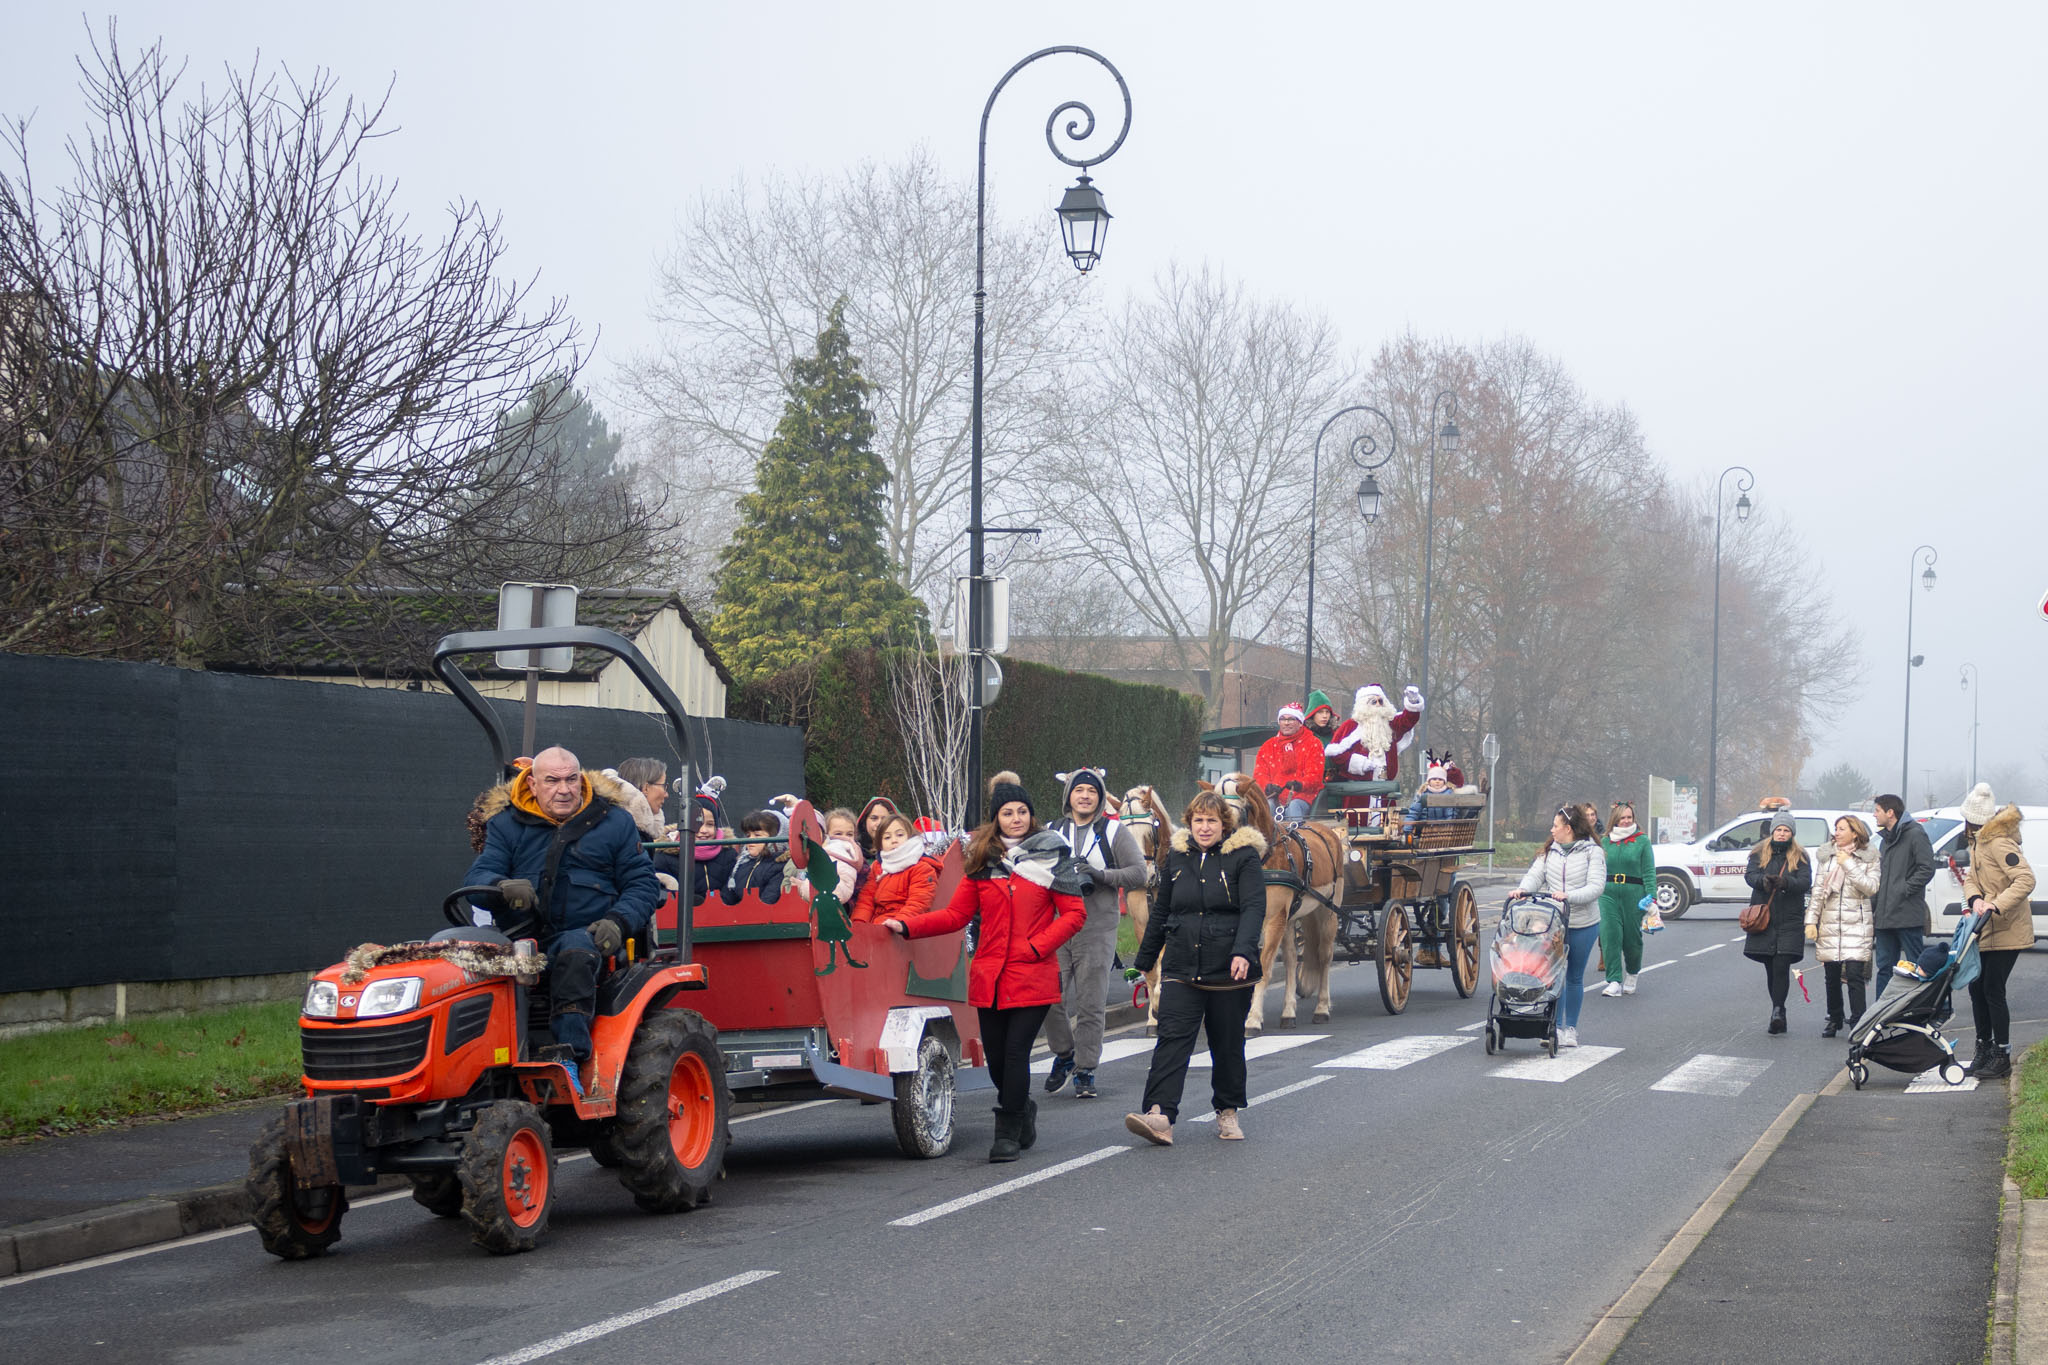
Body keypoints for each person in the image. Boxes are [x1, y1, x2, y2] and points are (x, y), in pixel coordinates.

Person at [881, 775, 1088, 1162]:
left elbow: (1075, 914)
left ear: (1031, 816)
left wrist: (1036, 946)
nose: (1016, 818)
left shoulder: (1052, 855)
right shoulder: (982, 863)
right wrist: (907, 925)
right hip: (990, 977)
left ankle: (1006, 1133)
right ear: (996, 819)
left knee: (1015, 1054)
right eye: (1007, 813)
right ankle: (1022, 1109)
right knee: (996, 1061)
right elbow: (955, 916)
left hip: (1032, 974)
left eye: (1022, 811)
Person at [463, 745, 662, 1092]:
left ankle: (568, 1057)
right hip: (521, 940)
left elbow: (642, 884)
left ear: (581, 780)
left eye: (571, 779)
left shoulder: (613, 822)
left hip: (591, 940)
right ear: (533, 784)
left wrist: (618, 922)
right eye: (552, 781)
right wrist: (500, 887)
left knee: (574, 948)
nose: (564, 789)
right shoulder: (506, 825)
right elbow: (478, 878)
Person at [1124, 790, 1268, 1146]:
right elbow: (1162, 910)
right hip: (1181, 965)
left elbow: (1254, 907)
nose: (1205, 827)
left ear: (1224, 824)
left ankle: (1227, 1111)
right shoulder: (1177, 857)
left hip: (1229, 969)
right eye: (1198, 821)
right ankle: (1160, 1114)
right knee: (1171, 1040)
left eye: (1212, 821)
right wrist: (1144, 961)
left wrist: (1243, 951)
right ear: (1189, 823)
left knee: (1227, 1043)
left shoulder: (1245, 857)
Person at [1042, 768, 1148, 1099]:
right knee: (1048, 998)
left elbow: (1139, 873)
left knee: (1091, 1003)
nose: (1085, 796)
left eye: (1092, 791)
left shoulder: (1113, 830)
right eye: (1079, 790)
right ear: (1069, 796)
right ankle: (1064, 1054)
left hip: (1097, 927)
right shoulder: (1052, 830)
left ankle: (1085, 1069)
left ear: (1100, 797)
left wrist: (1099, 875)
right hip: (1057, 927)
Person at [1959, 783, 2036, 1079]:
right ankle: (1983, 1047)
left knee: (1992, 988)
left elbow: (2026, 879)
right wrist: (1975, 899)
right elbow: (1971, 878)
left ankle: (2002, 1053)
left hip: (2007, 928)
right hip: (1985, 928)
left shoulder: (1999, 843)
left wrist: (1995, 904)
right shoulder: (1977, 842)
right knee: (1976, 987)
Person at [1517, 805, 1607, 1048]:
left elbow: (1596, 886)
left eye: (1555, 825)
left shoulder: (1593, 852)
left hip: (1583, 923)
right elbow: (1535, 875)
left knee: (1574, 976)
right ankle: (1554, 1027)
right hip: (1554, 923)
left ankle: (1571, 1029)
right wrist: (1522, 889)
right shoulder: (1550, 851)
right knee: (1556, 976)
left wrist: (1569, 896)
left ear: (1568, 828)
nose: (1552, 829)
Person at [1806, 815, 1880, 1037]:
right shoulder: (1827, 856)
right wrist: (1811, 921)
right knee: (1832, 975)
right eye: (1836, 829)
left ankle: (1858, 1021)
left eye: (1841, 829)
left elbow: (1870, 887)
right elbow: (1818, 891)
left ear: (1854, 833)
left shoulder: (1869, 857)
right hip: (1830, 922)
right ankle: (1835, 1018)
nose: (1836, 833)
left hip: (1857, 923)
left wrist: (1848, 863)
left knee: (1855, 975)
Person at [1743, 815, 1813, 1035]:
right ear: (1772, 831)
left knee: (1781, 965)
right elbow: (1750, 875)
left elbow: (1805, 882)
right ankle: (1778, 1007)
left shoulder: (1800, 855)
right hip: (1765, 917)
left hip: (1789, 919)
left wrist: (1785, 882)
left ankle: (1778, 1011)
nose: (1782, 834)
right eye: (1779, 830)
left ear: (1792, 833)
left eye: (1786, 830)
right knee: (1770, 966)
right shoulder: (1758, 852)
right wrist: (1763, 881)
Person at [1324, 684, 1424, 825]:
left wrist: (1413, 702)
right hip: (1358, 793)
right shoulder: (1350, 726)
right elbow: (1335, 753)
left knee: (1387, 830)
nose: (1378, 705)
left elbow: (1408, 720)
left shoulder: (1391, 724)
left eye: (1380, 701)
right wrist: (1359, 763)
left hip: (1385, 792)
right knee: (1355, 830)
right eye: (1373, 701)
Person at [1871, 794, 1935, 1000]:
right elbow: (1882, 877)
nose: (1874, 815)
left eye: (1877, 810)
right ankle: (1881, 1011)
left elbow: (1927, 868)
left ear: (1890, 813)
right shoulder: (1885, 839)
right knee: (1884, 968)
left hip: (1907, 915)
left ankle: (1919, 1008)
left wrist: (1904, 889)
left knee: (1916, 966)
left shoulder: (1915, 833)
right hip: (1885, 917)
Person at [1598, 800, 1651, 998]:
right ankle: (1613, 980)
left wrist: (1651, 897)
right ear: (1615, 820)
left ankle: (1632, 973)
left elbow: (1649, 871)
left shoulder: (1642, 841)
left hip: (1633, 893)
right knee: (1610, 936)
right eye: (1623, 818)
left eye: (1629, 817)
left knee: (1632, 939)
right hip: (1608, 893)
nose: (1627, 821)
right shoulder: (1604, 842)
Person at [852, 813, 938, 924]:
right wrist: (859, 923)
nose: (894, 840)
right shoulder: (878, 867)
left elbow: (918, 903)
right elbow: (866, 899)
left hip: (902, 926)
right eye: (887, 837)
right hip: (876, 925)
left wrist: (899, 924)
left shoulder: (921, 868)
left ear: (910, 837)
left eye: (900, 835)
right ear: (880, 844)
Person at [1253, 702, 1328, 820]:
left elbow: (1315, 776)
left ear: (1300, 723)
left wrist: (1299, 784)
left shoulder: (1313, 743)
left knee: (1293, 807)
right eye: (1283, 719)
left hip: (1303, 796)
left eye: (1291, 719)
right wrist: (1267, 787)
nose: (1286, 723)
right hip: (1274, 797)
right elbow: (1259, 774)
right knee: (1267, 806)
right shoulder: (1268, 746)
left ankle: (1296, 831)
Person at [721, 810, 786, 905]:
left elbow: (769, 899)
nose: (750, 839)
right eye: (748, 835)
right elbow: (728, 896)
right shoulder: (741, 865)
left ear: (774, 836)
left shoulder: (779, 866)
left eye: (757, 835)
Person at [685, 798, 736, 907]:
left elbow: (732, 888)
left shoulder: (729, 854)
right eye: (697, 823)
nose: (703, 830)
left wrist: (718, 904)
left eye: (710, 824)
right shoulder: (669, 855)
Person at [856, 795, 900, 863]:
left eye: (885, 819)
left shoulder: (906, 855)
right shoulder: (854, 853)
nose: (879, 823)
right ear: (864, 821)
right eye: (874, 818)